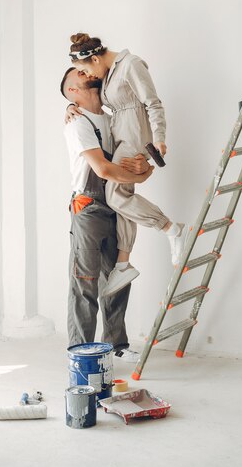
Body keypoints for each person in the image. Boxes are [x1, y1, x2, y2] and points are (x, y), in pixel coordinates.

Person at [66, 33, 190, 299]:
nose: (88, 75)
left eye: (86, 69)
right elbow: (88, 96)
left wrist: (159, 138)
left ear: (96, 58)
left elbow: (152, 102)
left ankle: (170, 228)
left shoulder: (131, 64)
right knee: (122, 197)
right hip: (121, 137)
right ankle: (123, 263)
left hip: (134, 137)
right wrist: (70, 105)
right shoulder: (109, 73)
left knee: (115, 196)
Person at [61, 66, 154, 361]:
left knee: (117, 278)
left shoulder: (114, 120)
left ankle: (115, 346)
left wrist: (144, 167)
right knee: (85, 281)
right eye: (78, 73)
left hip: (116, 202)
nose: (86, 72)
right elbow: (102, 168)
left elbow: (132, 161)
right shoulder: (78, 123)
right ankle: (81, 352)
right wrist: (139, 178)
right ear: (72, 92)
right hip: (89, 207)